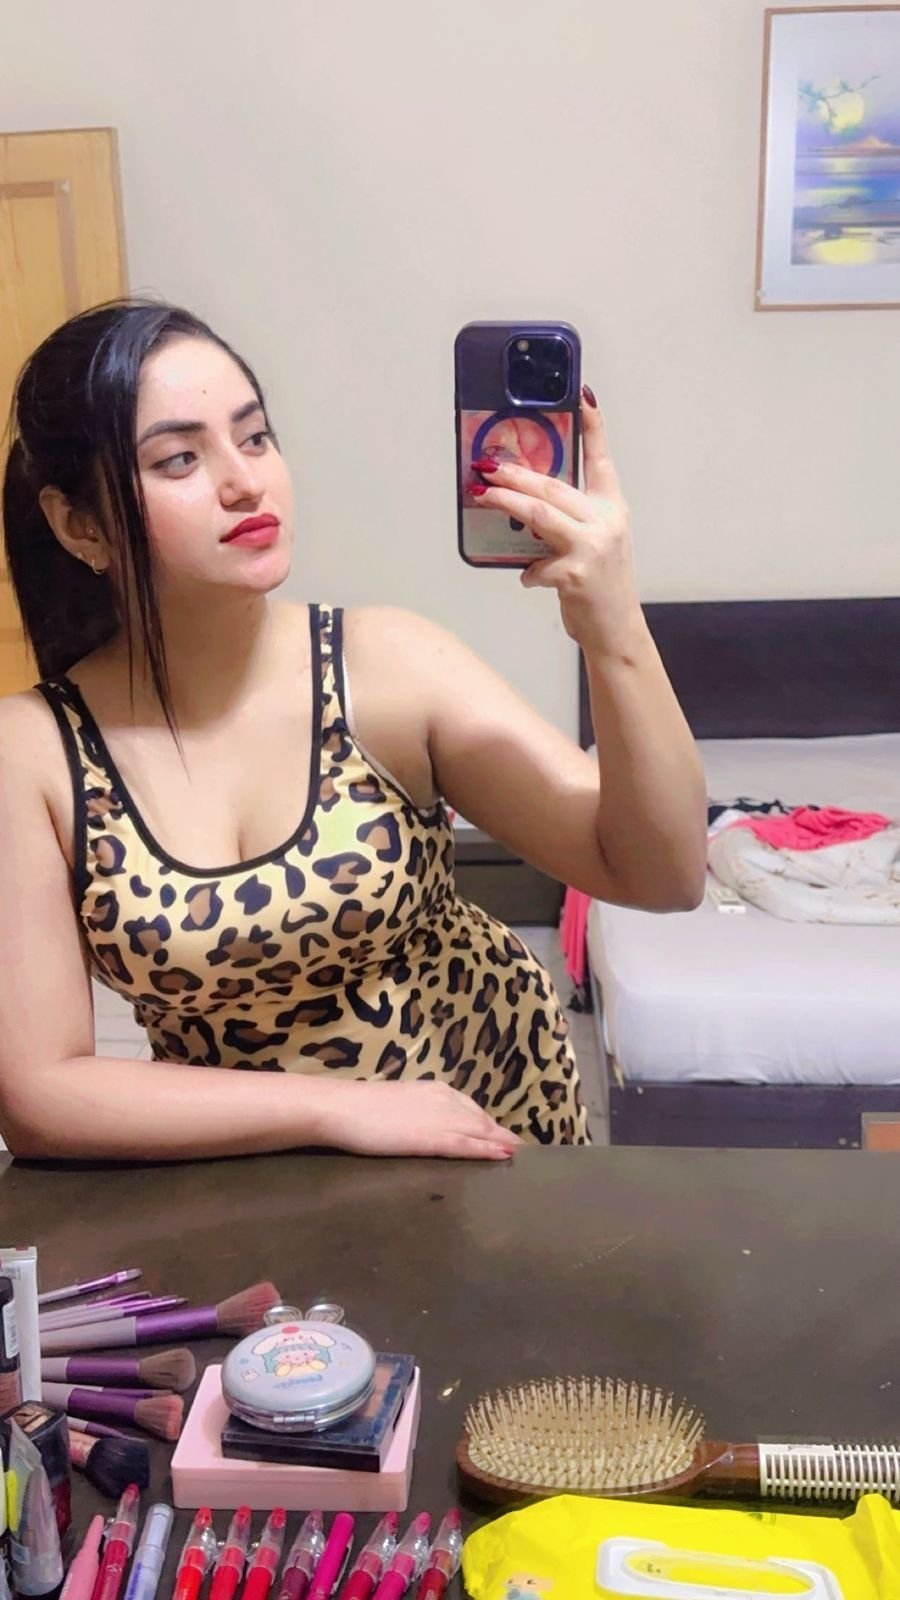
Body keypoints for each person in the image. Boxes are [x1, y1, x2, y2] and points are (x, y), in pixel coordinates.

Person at [0, 301, 706, 1163]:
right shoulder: (33, 751)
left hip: (492, 1140)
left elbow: (662, 873)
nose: (244, 482)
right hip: (234, 1173)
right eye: (179, 458)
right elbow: (40, 1092)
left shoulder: (387, 666)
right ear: (80, 524)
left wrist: (615, 626)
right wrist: (338, 1109)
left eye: (255, 437)